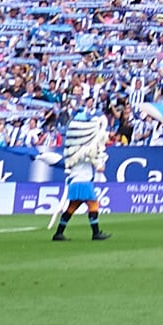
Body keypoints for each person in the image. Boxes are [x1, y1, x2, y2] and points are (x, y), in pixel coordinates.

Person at [49, 97, 110, 246]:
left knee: (71, 208)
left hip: (76, 181)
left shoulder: (74, 150)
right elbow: (98, 166)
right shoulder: (85, 151)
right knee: (93, 205)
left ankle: (58, 233)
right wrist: (100, 161)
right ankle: (96, 233)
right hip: (82, 180)